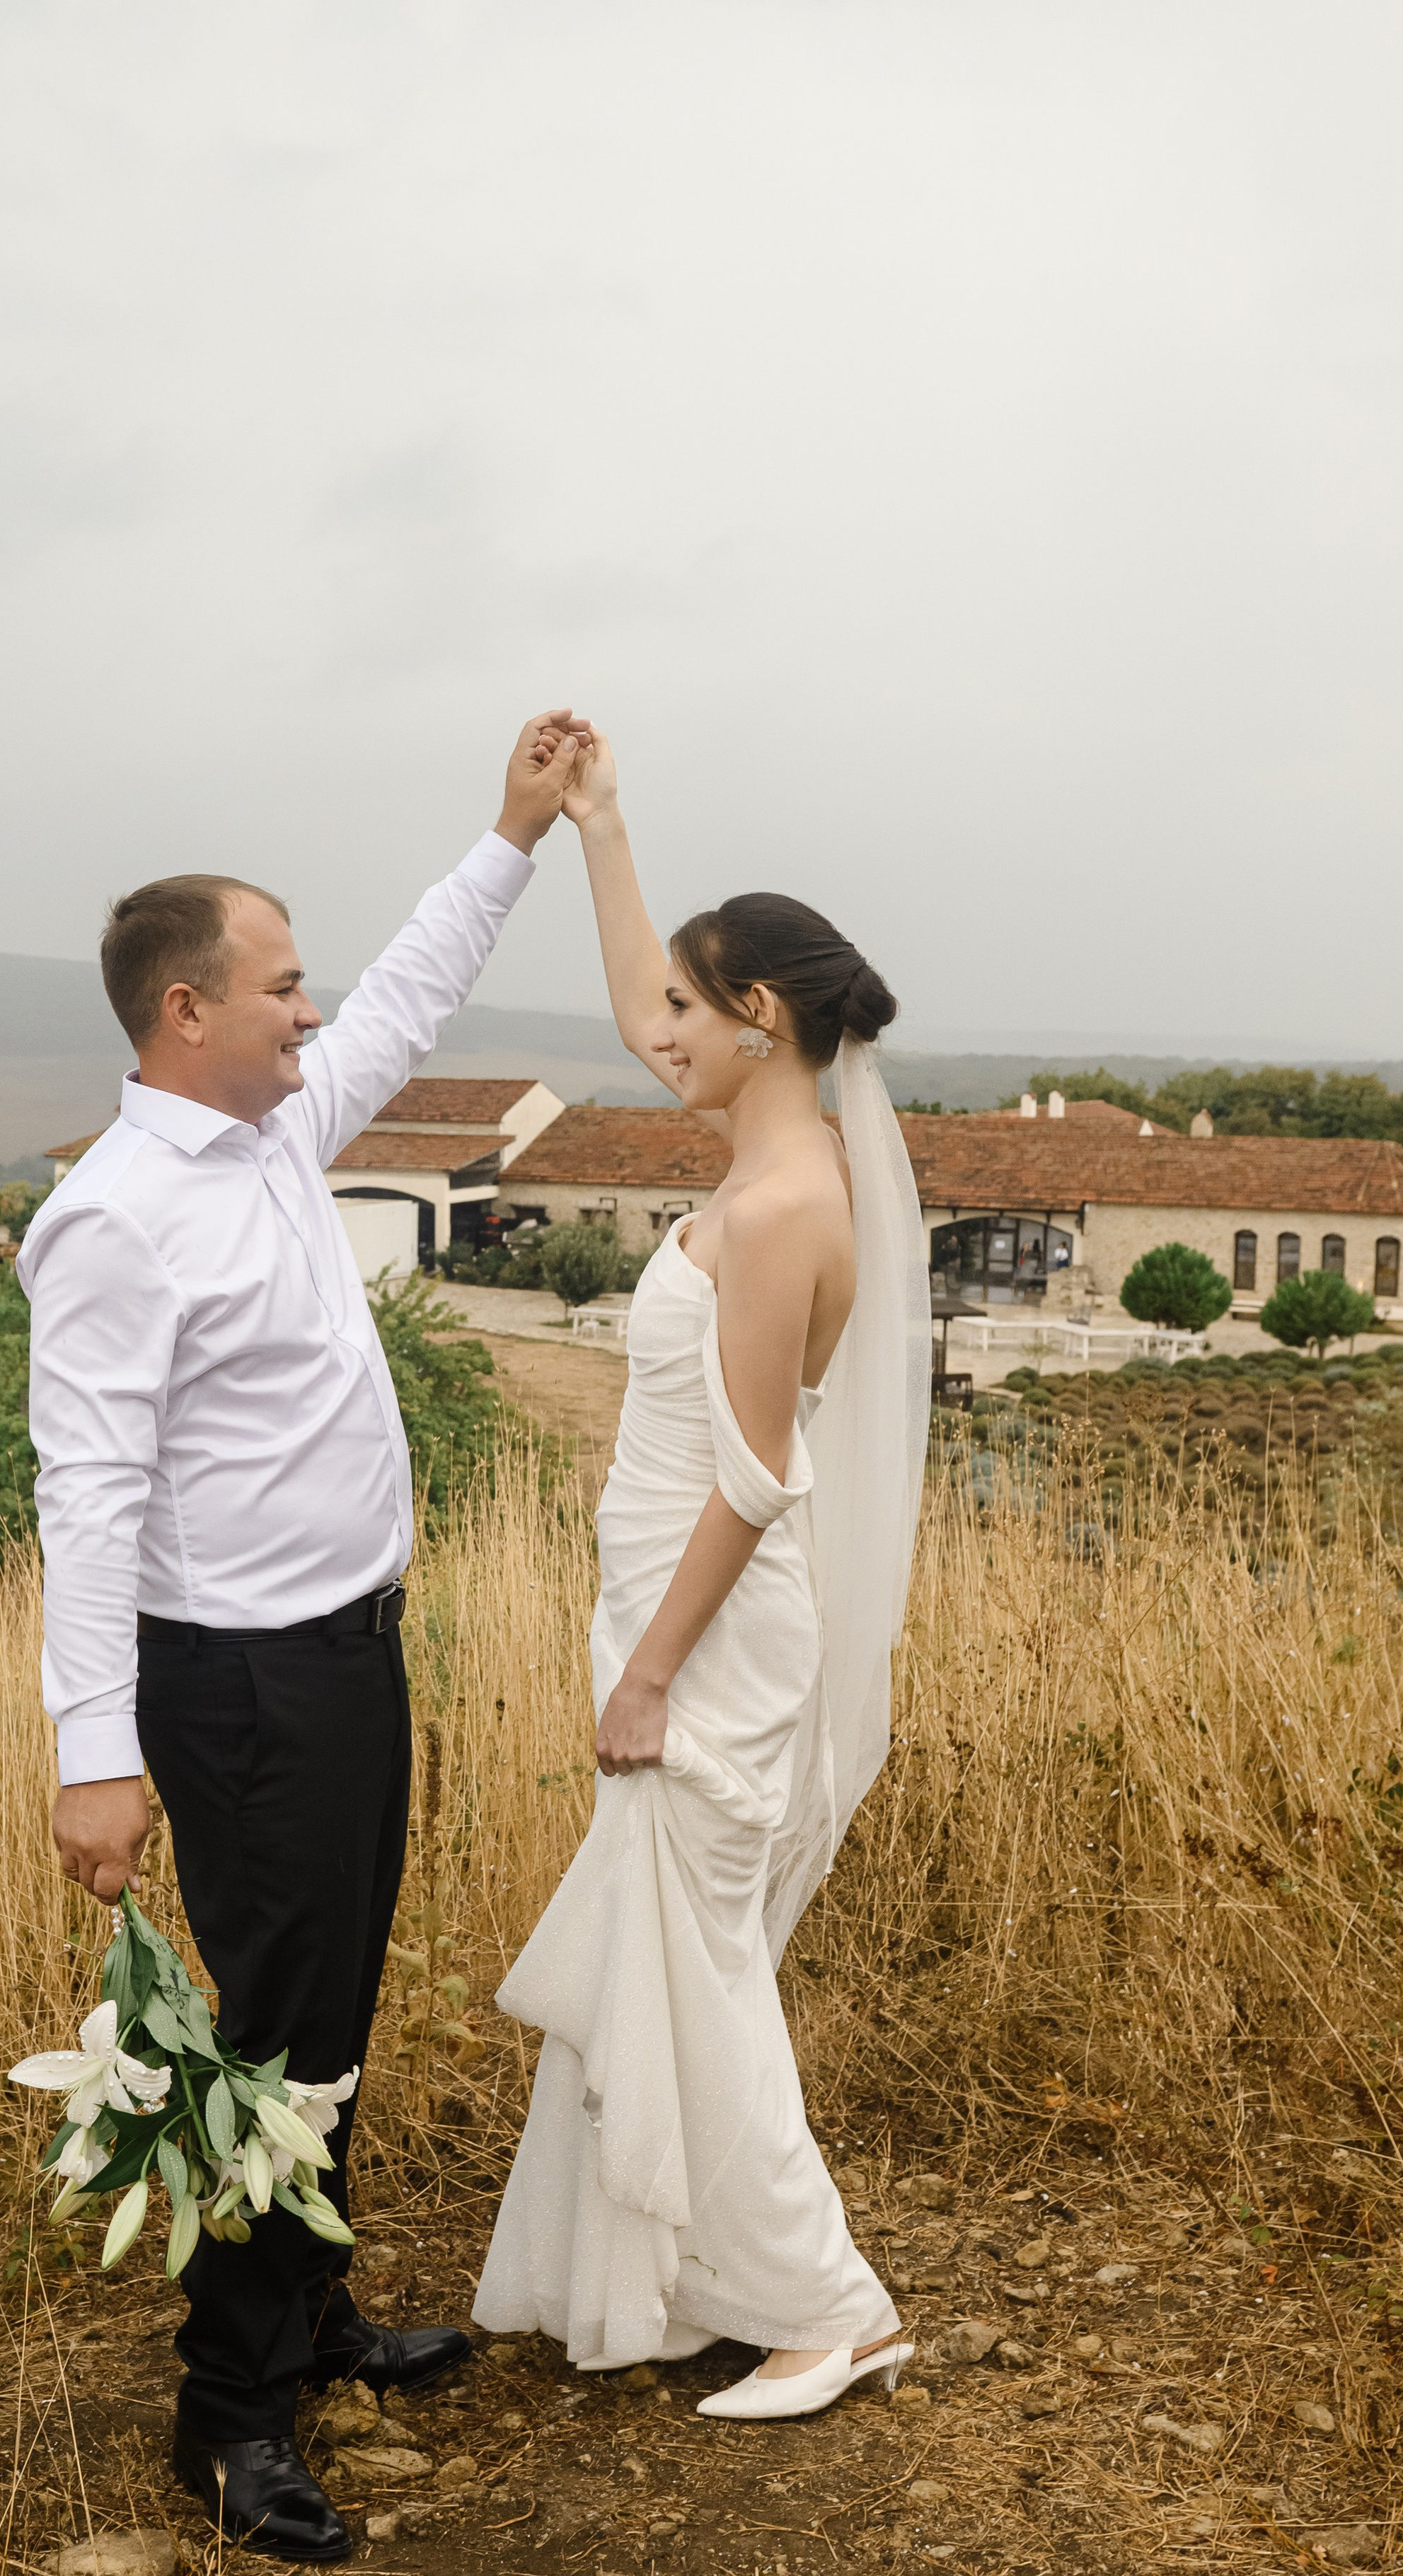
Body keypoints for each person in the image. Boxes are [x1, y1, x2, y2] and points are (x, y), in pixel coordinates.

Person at [17, 711, 587, 2560]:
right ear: (185, 1009)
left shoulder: (272, 1134)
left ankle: (312, 2308)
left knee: (329, 2009)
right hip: (242, 1683)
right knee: (274, 2043)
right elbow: (86, 1498)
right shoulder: (112, 1221)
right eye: (279, 986)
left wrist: (511, 834)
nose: (310, 1009)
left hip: (346, 1653)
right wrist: (93, 1752)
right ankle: (229, 2413)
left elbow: (407, 999)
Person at [473, 731, 930, 2418]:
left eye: (686, 1008)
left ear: (760, 1020)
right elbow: (637, 1009)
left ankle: (829, 2304)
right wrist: (597, 826)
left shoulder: (781, 1202)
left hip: (708, 1634)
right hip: (671, 1609)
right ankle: (677, 2280)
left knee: (702, 1974)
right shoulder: (763, 1152)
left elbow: (753, 1474)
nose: (653, 1033)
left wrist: (650, 1672)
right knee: (671, 1960)